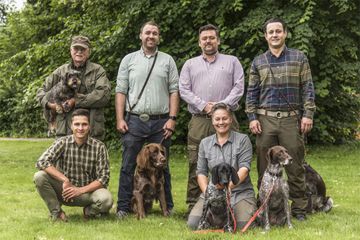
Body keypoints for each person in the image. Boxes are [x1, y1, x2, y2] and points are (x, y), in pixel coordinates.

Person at [245, 18, 316, 221]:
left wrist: (308, 114)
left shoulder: (299, 57)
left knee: (295, 166)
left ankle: (299, 209)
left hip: (290, 120)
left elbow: (308, 88)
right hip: (265, 119)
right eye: (271, 32)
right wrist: (252, 117)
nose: (274, 35)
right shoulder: (258, 61)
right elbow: (251, 93)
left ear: (285, 33)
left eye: (278, 31)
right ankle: (263, 207)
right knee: (263, 166)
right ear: (265, 36)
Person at [115, 21, 179, 218]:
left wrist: (172, 118)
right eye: (147, 33)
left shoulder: (168, 60)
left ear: (159, 37)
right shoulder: (129, 60)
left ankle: (167, 207)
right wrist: (120, 118)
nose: (151, 36)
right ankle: (123, 208)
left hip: (161, 121)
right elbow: (120, 91)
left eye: (155, 33)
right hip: (134, 120)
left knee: (162, 165)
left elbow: (174, 90)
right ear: (140, 36)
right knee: (128, 165)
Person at [179, 24, 244, 213]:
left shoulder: (232, 61)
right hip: (200, 119)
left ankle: (236, 202)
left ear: (218, 40)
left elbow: (239, 87)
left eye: (212, 37)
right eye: (204, 38)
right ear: (199, 43)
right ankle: (194, 204)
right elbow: (184, 89)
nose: (208, 41)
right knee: (195, 162)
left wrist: (220, 107)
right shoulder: (190, 64)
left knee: (233, 160)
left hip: (227, 118)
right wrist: (203, 105)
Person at [33, 109, 113, 221]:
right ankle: (57, 213)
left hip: (88, 193)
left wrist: (80, 190)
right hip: (64, 192)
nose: (80, 128)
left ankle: (89, 211)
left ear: (89, 126)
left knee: (106, 199)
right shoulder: (62, 142)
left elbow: (103, 178)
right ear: (71, 126)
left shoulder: (99, 147)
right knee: (39, 176)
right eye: (77, 124)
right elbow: (42, 161)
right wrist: (65, 180)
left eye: (84, 124)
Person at [187, 103, 257, 230]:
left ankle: (246, 208)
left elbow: (244, 169)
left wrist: (228, 188)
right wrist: (208, 194)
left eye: (224, 118)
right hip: (213, 193)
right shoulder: (204, 143)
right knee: (193, 223)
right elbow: (201, 172)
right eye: (217, 119)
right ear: (212, 121)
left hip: (239, 192)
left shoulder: (243, 140)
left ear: (230, 119)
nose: (221, 122)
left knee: (242, 225)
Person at [37, 35, 111, 141]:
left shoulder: (98, 71)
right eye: (76, 48)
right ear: (71, 50)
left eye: (83, 49)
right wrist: (50, 105)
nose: (79, 52)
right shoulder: (61, 71)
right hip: (64, 132)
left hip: (91, 131)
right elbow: (41, 91)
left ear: (89, 52)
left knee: (91, 158)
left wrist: (75, 101)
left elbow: (103, 95)